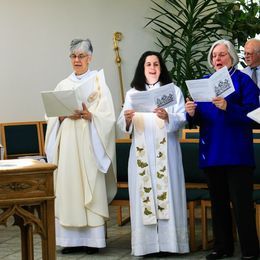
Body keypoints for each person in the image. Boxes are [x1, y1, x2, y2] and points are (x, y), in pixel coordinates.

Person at [185, 39, 260, 260]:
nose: (217, 59)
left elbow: (254, 115)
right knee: (218, 204)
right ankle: (222, 247)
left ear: (232, 58)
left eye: (222, 55)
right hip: (212, 152)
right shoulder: (204, 82)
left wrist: (229, 107)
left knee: (242, 205)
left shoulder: (243, 81)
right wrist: (192, 113)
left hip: (237, 153)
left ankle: (250, 251)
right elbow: (202, 118)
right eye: (214, 56)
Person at [45, 38, 117, 255]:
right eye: (74, 56)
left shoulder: (98, 83)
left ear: (90, 58)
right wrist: (58, 117)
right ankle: (70, 240)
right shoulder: (63, 84)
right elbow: (51, 115)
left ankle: (92, 241)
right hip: (67, 142)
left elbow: (108, 117)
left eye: (81, 56)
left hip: (89, 142)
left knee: (90, 186)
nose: (77, 60)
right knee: (69, 188)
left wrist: (90, 115)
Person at [117, 51, 189, 256]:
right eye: (148, 64)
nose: (152, 67)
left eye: (156, 64)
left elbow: (182, 117)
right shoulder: (133, 94)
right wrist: (128, 118)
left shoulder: (173, 91)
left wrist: (168, 115)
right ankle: (146, 246)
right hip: (143, 152)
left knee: (169, 192)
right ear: (142, 68)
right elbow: (123, 123)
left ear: (161, 67)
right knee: (144, 195)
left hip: (167, 150)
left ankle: (170, 244)